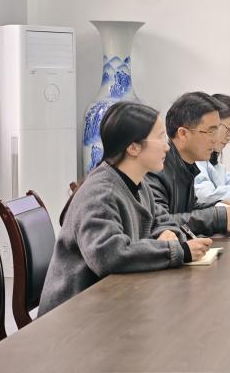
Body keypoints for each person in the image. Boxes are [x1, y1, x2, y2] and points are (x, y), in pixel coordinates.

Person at [40, 102, 212, 314]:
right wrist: (179, 251)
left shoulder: (139, 183)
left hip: (112, 300)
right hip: (74, 313)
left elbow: (161, 219)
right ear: (133, 147)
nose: (167, 147)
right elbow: (108, 255)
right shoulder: (101, 193)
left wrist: (167, 232)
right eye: (160, 138)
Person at [146, 92, 230, 236]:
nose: (215, 140)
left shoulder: (185, 166)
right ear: (183, 134)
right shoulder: (156, 168)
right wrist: (217, 217)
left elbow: (187, 210)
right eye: (211, 132)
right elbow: (159, 222)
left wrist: (218, 206)